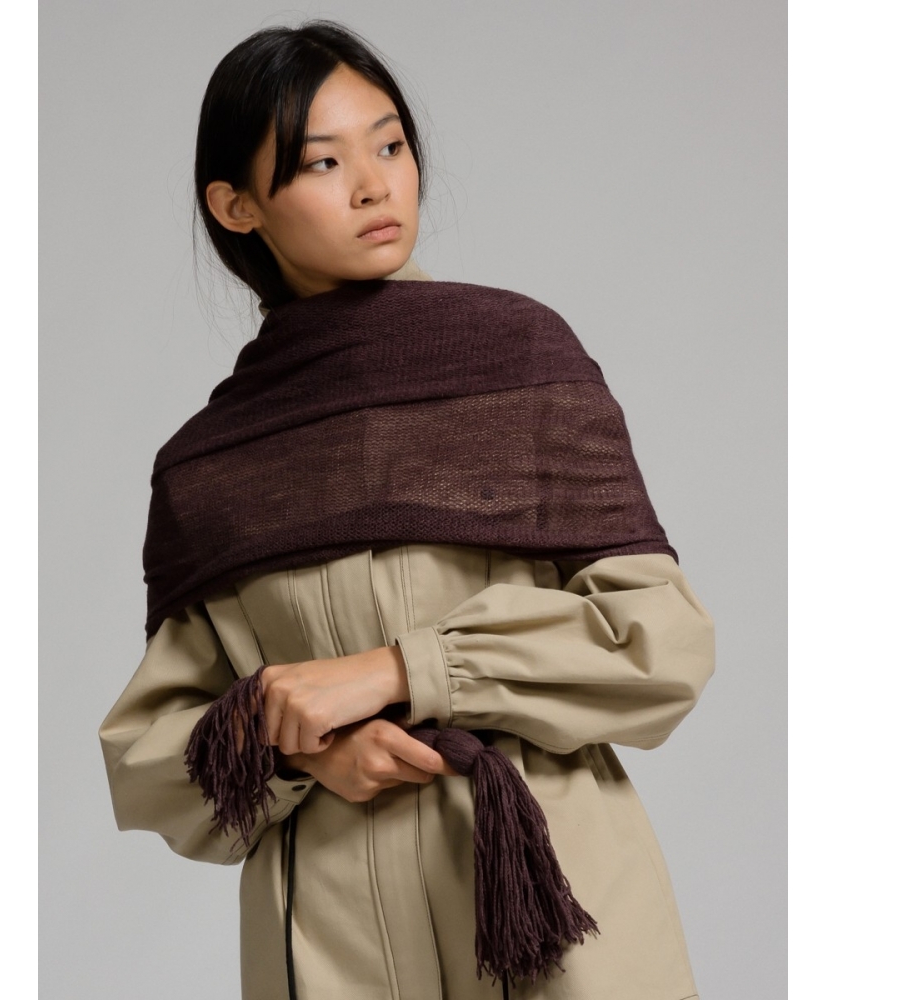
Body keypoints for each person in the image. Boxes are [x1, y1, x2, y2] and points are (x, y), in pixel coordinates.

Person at [99, 20, 715, 1000]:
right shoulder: (208, 466)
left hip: (556, 908)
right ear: (236, 204)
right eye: (323, 162)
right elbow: (148, 758)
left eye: (389, 146)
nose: (374, 185)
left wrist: (400, 671)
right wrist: (300, 752)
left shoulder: (517, 360)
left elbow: (659, 642)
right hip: (333, 942)